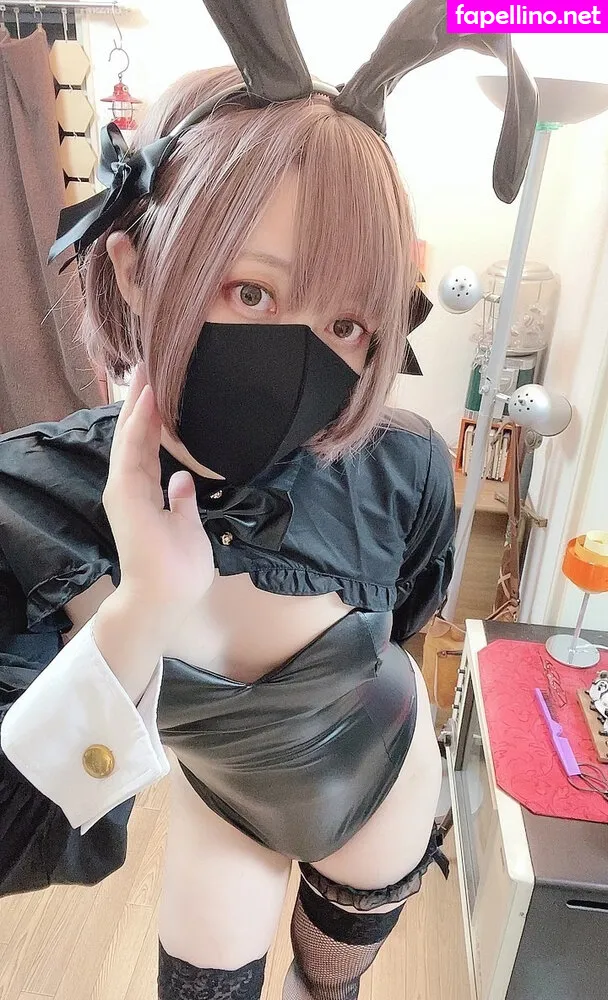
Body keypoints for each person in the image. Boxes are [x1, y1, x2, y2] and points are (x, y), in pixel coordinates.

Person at [0, 3, 537, 998]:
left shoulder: (402, 466)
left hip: (388, 795)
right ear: (133, 265)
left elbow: (406, 620)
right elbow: (10, 833)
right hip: (223, 808)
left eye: (348, 323)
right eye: (251, 292)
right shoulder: (29, 506)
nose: (299, 361)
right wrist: (140, 608)